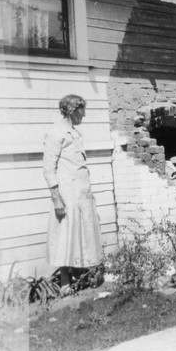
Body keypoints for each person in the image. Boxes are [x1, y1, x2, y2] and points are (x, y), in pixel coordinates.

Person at [43, 94, 103, 295]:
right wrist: (56, 198)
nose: (84, 115)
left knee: (84, 233)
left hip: (82, 193)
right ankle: (65, 283)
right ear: (72, 110)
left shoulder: (74, 134)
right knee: (66, 236)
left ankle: (85, 275)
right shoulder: (56, 132)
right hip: (67, 194)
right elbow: (49, 169)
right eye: (82, 110)